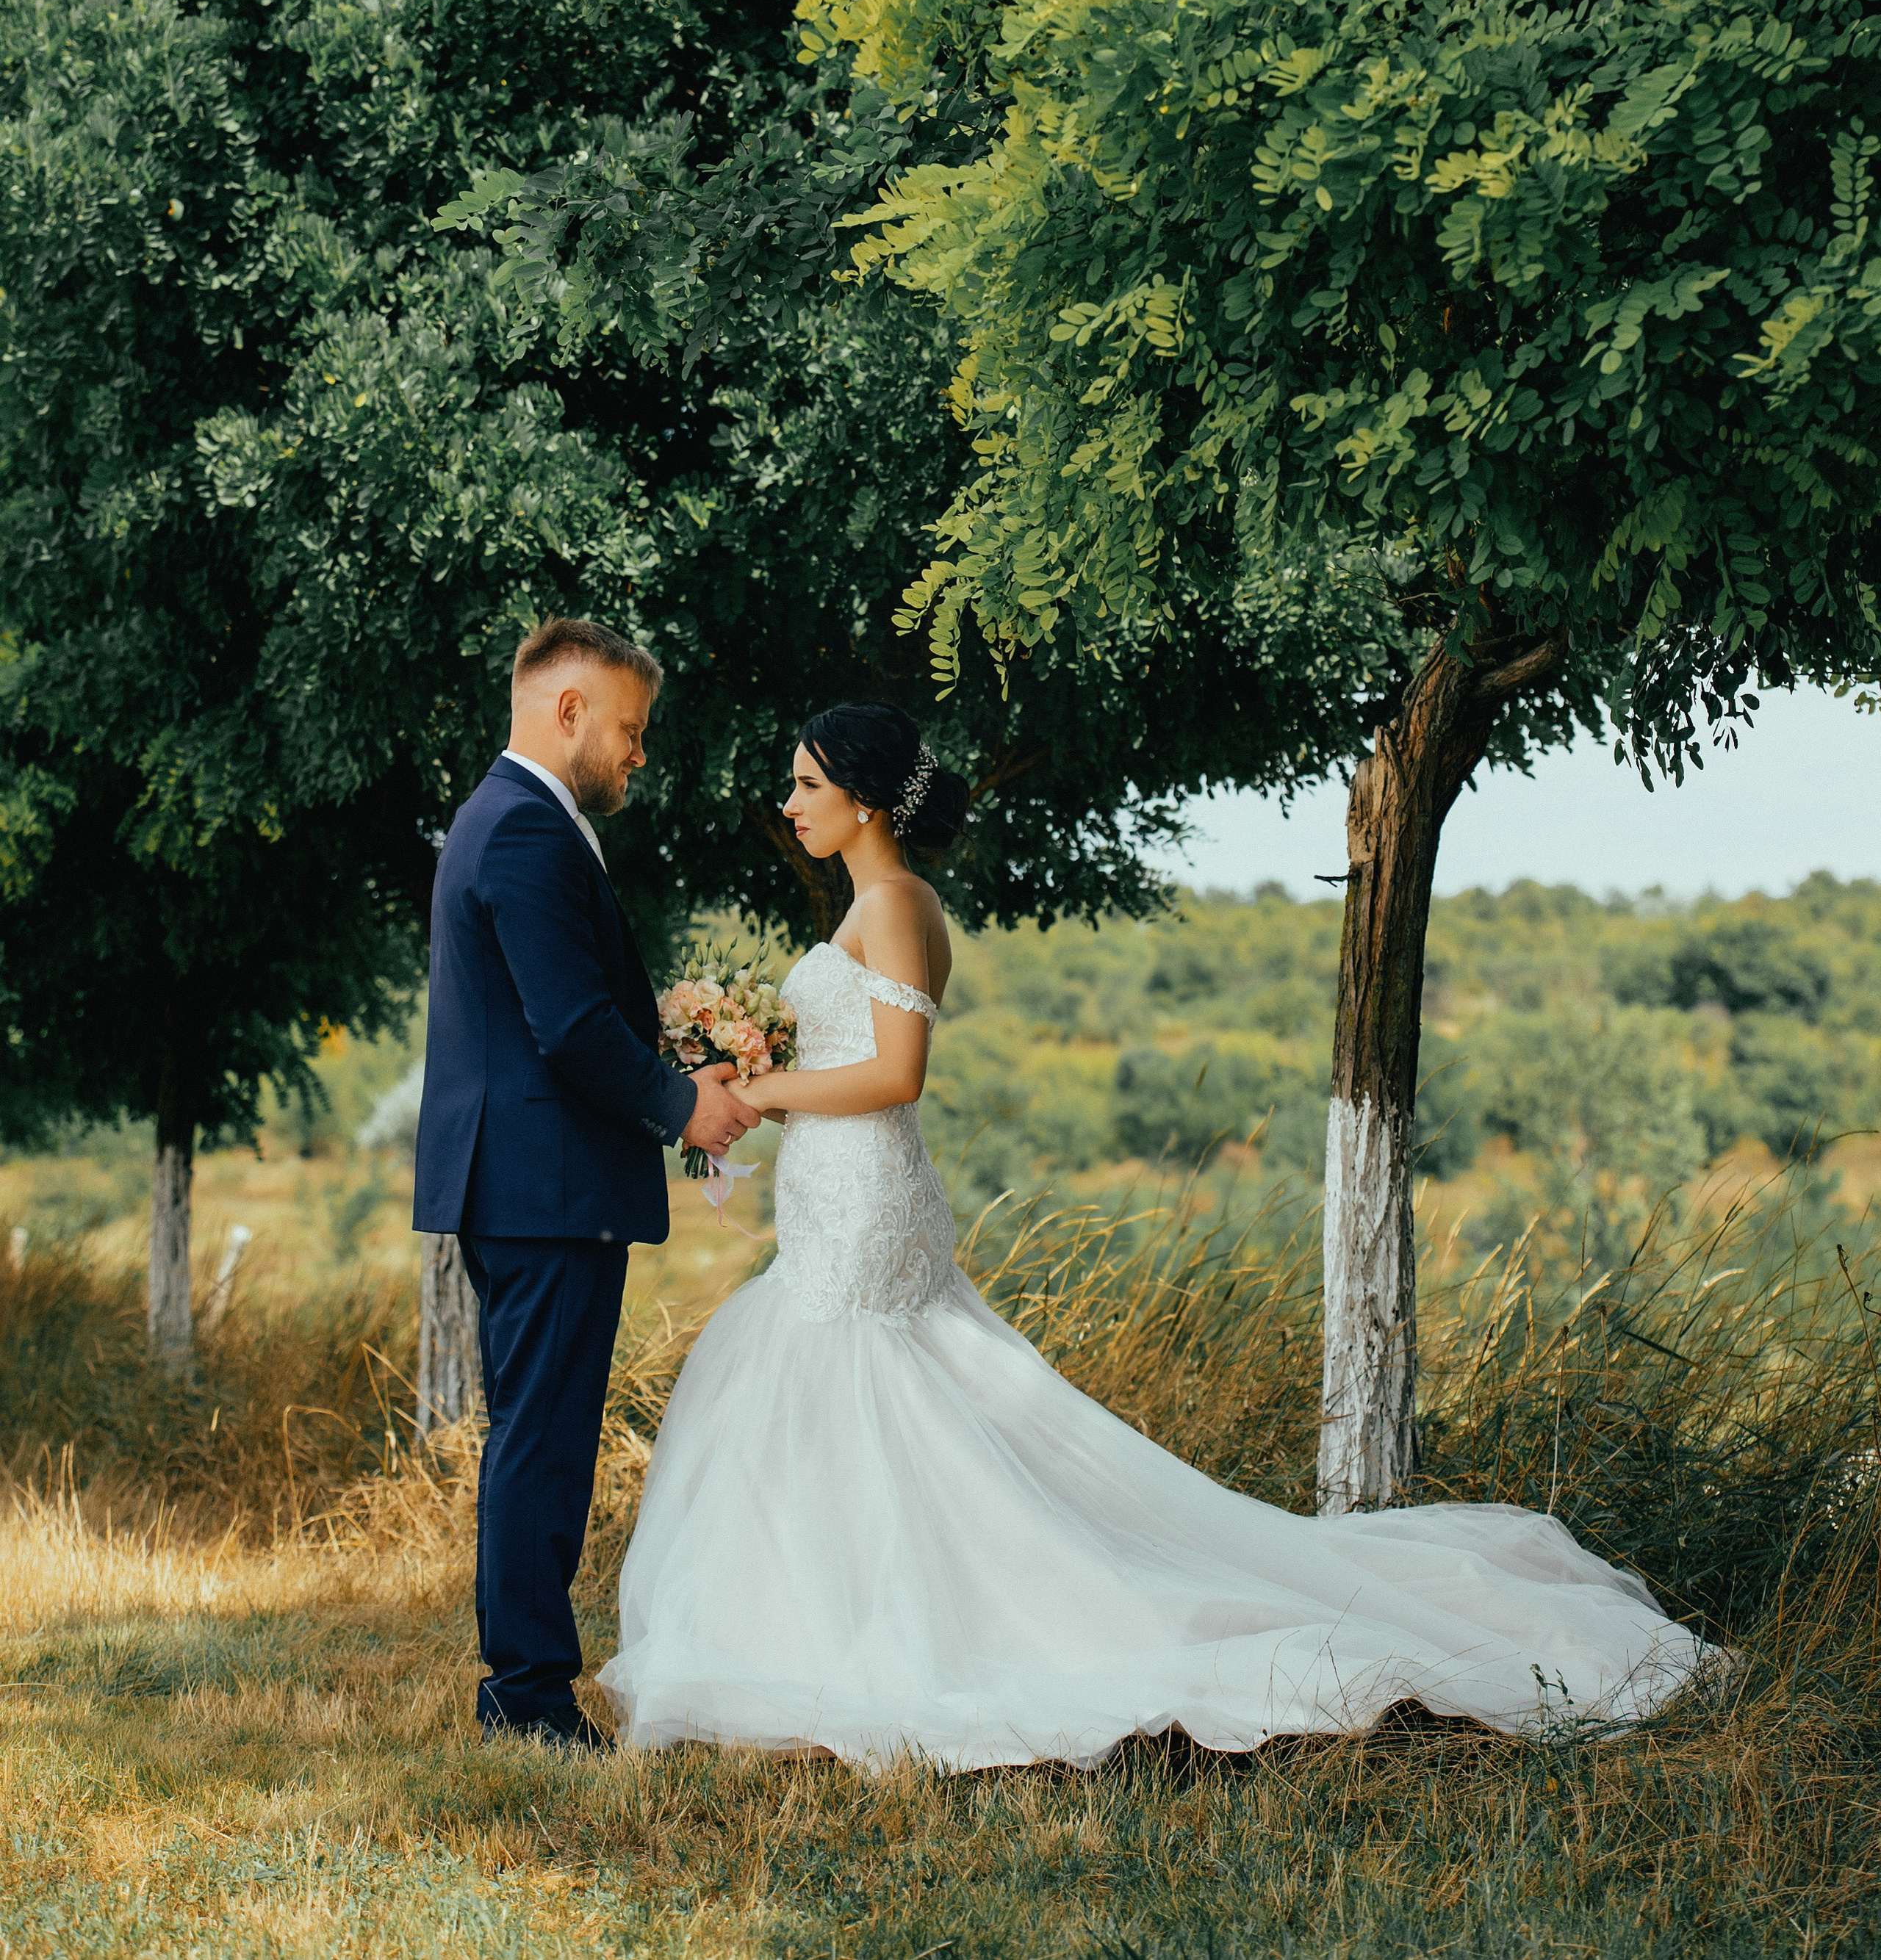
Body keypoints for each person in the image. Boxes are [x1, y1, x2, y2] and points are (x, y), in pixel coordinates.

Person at [599, 699, 1713, 1770]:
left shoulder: (895, 902)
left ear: (867, 800)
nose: (789, 801)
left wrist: (759, 1085)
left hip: (865, 1191)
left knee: (861, 1379)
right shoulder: (872, 902)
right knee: (863, 1397)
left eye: (807, 784)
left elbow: (898, 1074)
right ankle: (818, 1628)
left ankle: (890, 1642)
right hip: (840, 1189)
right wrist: (744, 1072)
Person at [414, 618, 759, 1748]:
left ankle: (524, 1684)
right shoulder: (522, 830)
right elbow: (566, 1026)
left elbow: (566, 1011)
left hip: (530, 1183)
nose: (639, 754)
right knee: (543, 1440)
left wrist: (678, 1060)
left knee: (539, 1430)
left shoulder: (513, 821)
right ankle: (527, 1696)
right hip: (541, 1186)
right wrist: (683, 1104)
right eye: (631, 729)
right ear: (569, 711)